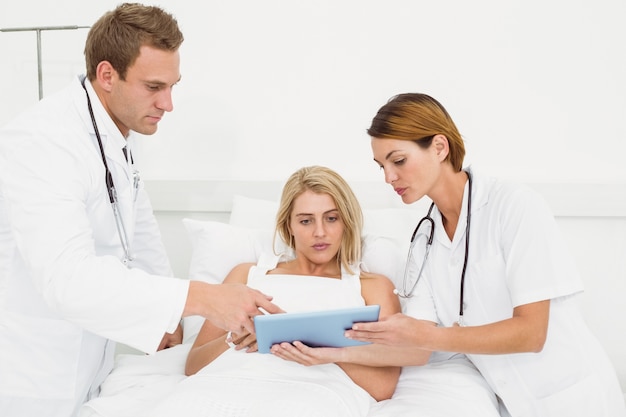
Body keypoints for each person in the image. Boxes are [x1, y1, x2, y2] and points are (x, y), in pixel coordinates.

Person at [0, 4, 279, 416]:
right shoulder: (43, 142)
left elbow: (139, 232)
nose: (168, 103)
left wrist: (171, 319)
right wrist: (200, 299)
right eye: (153, 87)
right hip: (31, 373)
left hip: (88, 362)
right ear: (107, 75)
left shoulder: (115, 137)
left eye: (172, 85)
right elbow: (68, 278)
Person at [272, 93, 626, 417]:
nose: (389, 177)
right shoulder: (424, 241)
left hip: (573, 399)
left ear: (439, 146)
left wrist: (424, 335)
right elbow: (416, 348)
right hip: (513, 403)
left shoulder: (513, 207)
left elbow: (531, 334)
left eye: (398, 160)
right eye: (381, 166)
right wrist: (324, 354)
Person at [172, 165, 401, 416]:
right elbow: (193, 365)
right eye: (306, 220)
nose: (320, 232)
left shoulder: (373, 287)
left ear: (346, 221)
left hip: (310, 396)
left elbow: (382, 387)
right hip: (218, 386)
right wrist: (241, 336)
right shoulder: (246, 275)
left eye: (331, 218)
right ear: (288, 225)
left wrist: (305, 341)